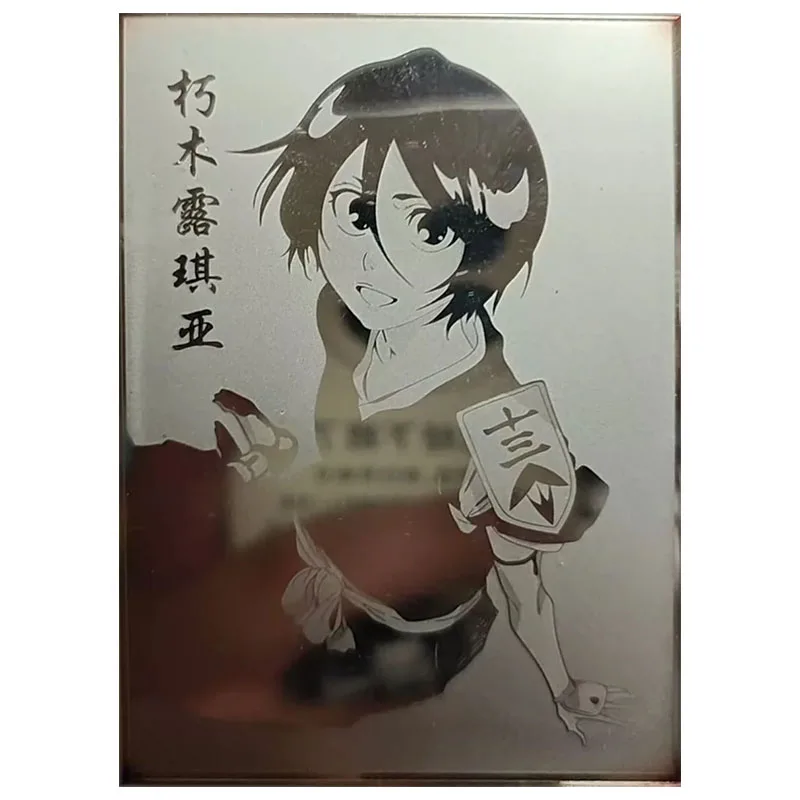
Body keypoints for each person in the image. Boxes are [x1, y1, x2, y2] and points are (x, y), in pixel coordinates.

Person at [125, 48, 629, 744]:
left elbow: (526, 589)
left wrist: (563, 686)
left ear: (485, 246)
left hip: (399, 646)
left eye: (429, 229)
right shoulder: (348, 318)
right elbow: (358, 477)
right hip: (308, 570)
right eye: (357, 213)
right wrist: (274, 465)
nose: (372, 260)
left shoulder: (499, 429)